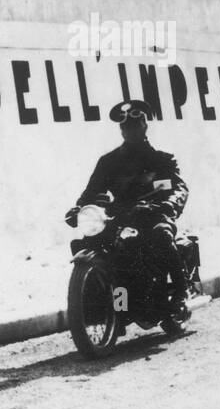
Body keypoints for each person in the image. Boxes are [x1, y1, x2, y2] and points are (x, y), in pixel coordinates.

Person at [65, 101, 192, 316]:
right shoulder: (108, 162)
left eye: (136, 124)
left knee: (161, 234)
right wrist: (78, 209)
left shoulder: (162, 160)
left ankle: (182, 292)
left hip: (154, 214)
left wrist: (169, 205)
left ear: (145, 125)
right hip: (120, 216)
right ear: (121, 130)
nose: (131, 130)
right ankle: (117, 307)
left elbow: (179, 188)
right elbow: (90, 193)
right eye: (127, 127)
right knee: (96, 246)